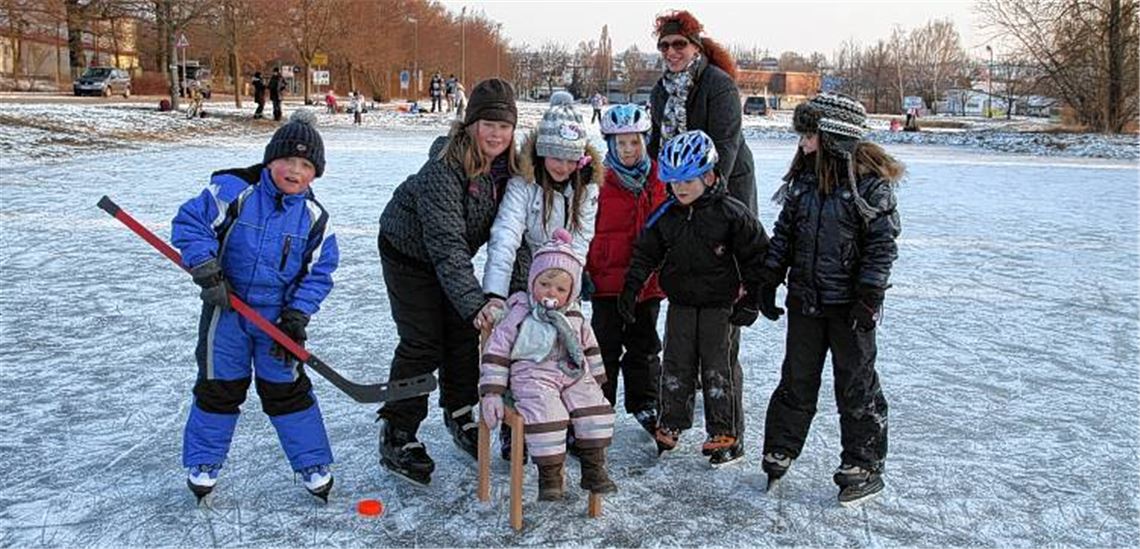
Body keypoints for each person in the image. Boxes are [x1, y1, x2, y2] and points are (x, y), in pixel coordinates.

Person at [171, 110, 338, 503]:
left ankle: (311, 462)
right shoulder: (233, 191)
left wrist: (297, 315)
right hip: (226, 310)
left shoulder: (315, 218)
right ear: (269, 161)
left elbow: (319, 272)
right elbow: (190, 222)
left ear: (315, 174)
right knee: (219, 387)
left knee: (287, 389)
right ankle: (204, 462)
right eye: (286, 161)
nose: (294, 171)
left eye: (305, 165)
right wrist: (207, 269)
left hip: (276, 319)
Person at [759, 92, 903, 507]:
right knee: (796, 379)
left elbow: (881, 246)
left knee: (855, 385)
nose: (802, 144)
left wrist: (869, 296)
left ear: (834, 138)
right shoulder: (802, 185)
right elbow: (784, 235)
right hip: (806, 302)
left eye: (808, 136)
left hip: (849, 309)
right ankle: (782, 447)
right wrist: (769, 277)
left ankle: (863, 462)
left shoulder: (870, 188)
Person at [376, 78, 520, 486]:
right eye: (487, 123)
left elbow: (513, 230)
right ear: (470, 124)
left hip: (449, 258)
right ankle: (398, 432)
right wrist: (477, 303)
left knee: (460, 334)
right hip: (408, 254)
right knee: (423, 340)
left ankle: (459, 413)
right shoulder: (445, 167)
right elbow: (446, 246)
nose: (496, 133)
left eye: (504, 126)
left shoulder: (510, 170)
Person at [619, 130, 778, 467]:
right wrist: (632, 287)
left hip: (721, 307)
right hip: (681, 303)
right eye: (674, 181)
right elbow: (645, 253)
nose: (680, 188)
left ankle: (726, 431)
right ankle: (672, 420)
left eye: (688, 180)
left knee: (718, 368)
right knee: (676, 364)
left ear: (708, 175)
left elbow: (758, 257)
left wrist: (753, 298)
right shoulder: (667, 215)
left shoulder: (732, 213)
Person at [482, 90, 600, 460]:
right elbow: (505, 237)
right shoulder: (524, 185)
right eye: (555, 157)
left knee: (564, 345)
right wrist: (496, 295)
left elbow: (581, 242)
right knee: (519, 346)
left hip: (564, 279)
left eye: (569, 159)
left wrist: (568, 291)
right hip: (523, 272)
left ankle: (564, 420)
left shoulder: (588, 189)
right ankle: (510, 424)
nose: (562, 167)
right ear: (540, 152)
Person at [480, 229, 617, 501]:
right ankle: (550, 475)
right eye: (544, 284)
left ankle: (593, 468)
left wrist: (597, 382)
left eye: (560, 288)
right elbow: (497, 349)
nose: (550, 292)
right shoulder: (519, 311)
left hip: (571, 373)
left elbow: (589, 348)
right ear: (533, 282)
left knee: (595, 407)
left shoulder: (574, 316)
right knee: (546, 412)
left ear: (571, 293)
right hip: (532, 375)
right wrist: (492, 391)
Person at [586, 104, 667, 437]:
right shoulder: (597, 180)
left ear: (644, 141)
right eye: (621, 144)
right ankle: (597, 404)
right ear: (610, 145)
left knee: (644, 346)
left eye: (634, 142)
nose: (628, 150)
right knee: (604, 347)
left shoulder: (660, 177)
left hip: (646, 284)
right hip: (606, 282)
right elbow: (583, 227)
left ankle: (645, 401)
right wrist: (584, 270)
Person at [648, 10, 757, 216]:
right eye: (664, 45)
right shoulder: (660, 90)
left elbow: (725, 143)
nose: (671, 52)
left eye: (679, 44)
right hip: (682, 184)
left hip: (724, 181)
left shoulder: (719, 84)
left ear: (696, 47)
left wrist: (710, 190)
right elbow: (655, 144)